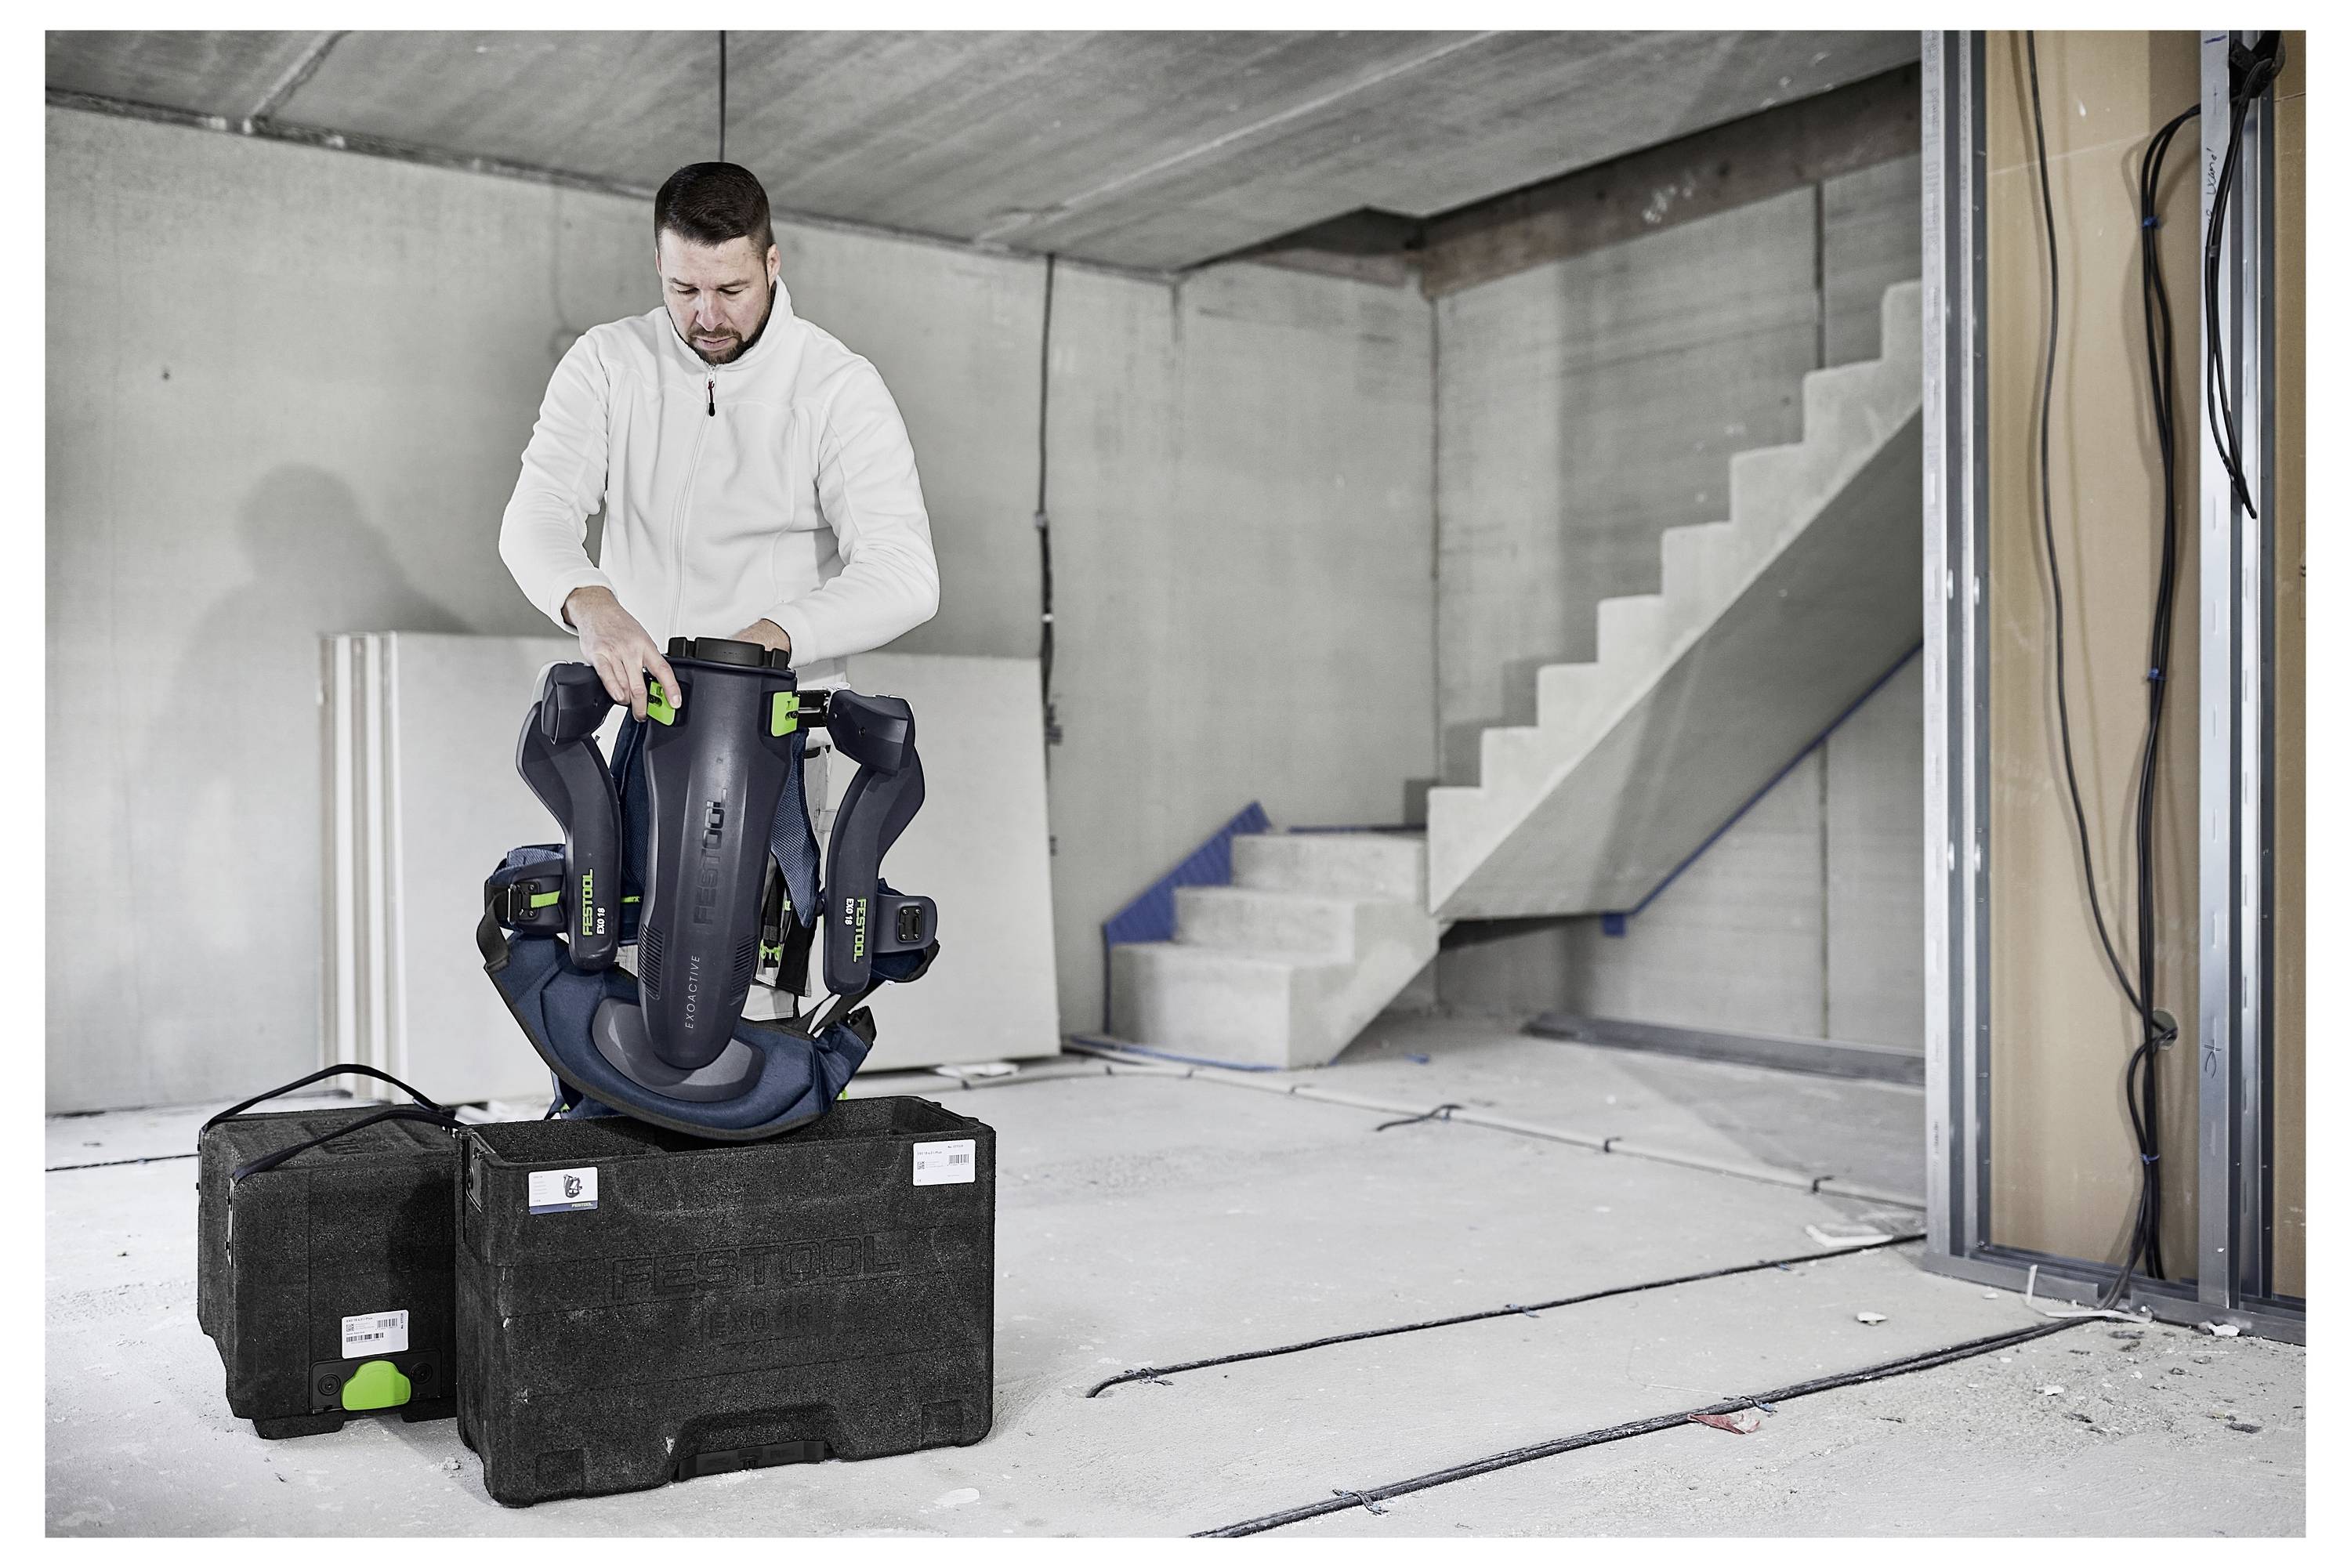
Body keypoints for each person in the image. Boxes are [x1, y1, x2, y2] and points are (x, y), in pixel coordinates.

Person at [499, 161, 939, 1007]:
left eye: (731, 288)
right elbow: (536, 515)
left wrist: (766, 642)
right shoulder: (608, 363)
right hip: (642, 724)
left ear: (773, 265)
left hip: (774, 739)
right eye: (683, 288)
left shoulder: (837, 387)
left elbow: (905, 575)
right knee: (616, 984)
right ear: (658, 267)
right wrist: (591, 605)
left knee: (759, 1009)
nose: (706, 316)